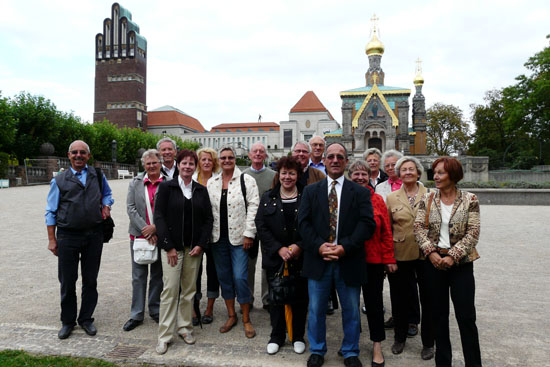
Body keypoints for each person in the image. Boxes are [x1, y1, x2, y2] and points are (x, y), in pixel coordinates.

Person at [298, 143, 376, 367]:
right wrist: (319, 246)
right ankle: (318, 349)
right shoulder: (311, 191)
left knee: (351, 310)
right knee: (316, 309)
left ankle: (350, 351)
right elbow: (303, 224)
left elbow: (366, 224)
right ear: (324, 160)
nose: (334, 160)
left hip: (348, 259)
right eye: (330, 156)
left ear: (346, 161)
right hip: (318, 259)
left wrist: (344, 247)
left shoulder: (360, 192)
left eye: (339, 157)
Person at [414, 157, 482, 367]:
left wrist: (453, 255)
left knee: (466, 317)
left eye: (441, 173)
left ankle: (473, 363)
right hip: (433, 264)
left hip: (460, 265)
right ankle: (443, 363)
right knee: (438, 317)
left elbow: (473, 232)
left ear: (453, 175)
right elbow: (418, 228)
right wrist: (431, 253)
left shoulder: (470, 199)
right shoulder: (427, 198)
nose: (435, 176)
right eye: (434, 172)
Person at [45, 140, 114, 339]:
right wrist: (52, 239)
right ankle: (68, 321)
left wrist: (106, 205)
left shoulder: (98, 175)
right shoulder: (59, 180)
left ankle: (86, 319)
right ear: (68, 156)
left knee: (90, 280)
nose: (78, 156)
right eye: (74, 152)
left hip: (94, 235)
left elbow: (107, 195)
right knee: (67, 281)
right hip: (68, 235)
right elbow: (50, 211)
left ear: (88, 156)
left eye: (82, 152)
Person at [153, 149, 213, 354]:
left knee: (189, 291)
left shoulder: (200, 190)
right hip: (172, 249)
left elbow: (208, 220)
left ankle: (185, 328)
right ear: (178, 165)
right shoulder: (166, 187)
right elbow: (159, 217)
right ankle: (164, 335)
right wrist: (168, 245)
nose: (187, 167)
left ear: (195, 167)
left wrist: (202, 244)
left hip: (194, 250)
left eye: (191, 164)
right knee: (170, 291)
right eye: (184, 163)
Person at [255, 156, 308, 356]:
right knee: (276, 298)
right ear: (279, 174)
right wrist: (279, 248)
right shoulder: (268, 197)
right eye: (284, 173)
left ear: (298, 175)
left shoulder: (307, 196)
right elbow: (261, 225)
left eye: (291, 173)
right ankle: (276, 336)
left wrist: (298, 246)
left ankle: (297, 336)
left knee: (300, 299)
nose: (287, 177)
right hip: (276, 258)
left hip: (299, 257)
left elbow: (312, 225)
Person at [207, 146, 260, 338]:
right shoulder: (212, 182)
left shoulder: (247, 180)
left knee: (240, 277)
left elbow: (254, 206)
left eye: (230, 157)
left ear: (235, 159)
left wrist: (249, 234)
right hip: (217, 239)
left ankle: (246, 318)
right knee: (225, 278)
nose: (226, 160)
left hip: (239, 238)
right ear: (219, 160)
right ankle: (231, 315)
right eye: (223, 158)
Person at [385, 156, 434, 360]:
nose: (407, 172)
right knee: (399, 298)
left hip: (426, 255)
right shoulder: (391, 198)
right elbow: (387, 229)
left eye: (411, 169)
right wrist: (389, 258)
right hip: (400, 254)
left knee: (429, 300)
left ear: (418, 172)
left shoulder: (432, 195)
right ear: (399, 173)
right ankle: (400, 337)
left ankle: (429, 343)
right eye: (403, 169)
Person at [348, 160, 396, 367]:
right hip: (348, 258)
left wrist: (389, 259)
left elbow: (386, 232)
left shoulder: (377, 200)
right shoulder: (343, 198)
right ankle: (351, 343)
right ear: (350, 176)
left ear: (369, 176)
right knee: (350, 305)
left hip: (373, 260)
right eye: (355, 174)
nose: (359, 177)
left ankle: (377, 344)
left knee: (374, 304)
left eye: (363, 174)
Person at [123, 149, 165, 332]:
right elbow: (131, 208)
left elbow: (171, 209)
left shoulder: (169, 183)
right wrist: (146, 229)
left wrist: (156, 227)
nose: (151, 166)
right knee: (138, 276)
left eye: (154, 162)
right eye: (148, 163)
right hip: (139, 236)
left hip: (161, 236)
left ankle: (154, 309)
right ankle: (136, 314)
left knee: (157, 276)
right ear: (143, 165)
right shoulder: (135, 183)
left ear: (160, 163)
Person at [243, 142, 276, 310]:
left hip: (269, 226)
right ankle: (247, 298)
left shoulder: (273, 176)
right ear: (249, 155)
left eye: (261, 151)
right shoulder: (242, 175)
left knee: (268, 263)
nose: (257, 153)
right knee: (249, 264)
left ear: (265, 155)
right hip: (249, 226)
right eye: (254, 151)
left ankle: (267, 298)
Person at [191, 148, 221, 325]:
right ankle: (194, 307)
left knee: (213, 270)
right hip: (195, 232)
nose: (207, 162)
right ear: (198, 162)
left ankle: (209, 307)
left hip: (215, 231)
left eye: (210, 160)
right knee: (194, 270)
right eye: (203, 159)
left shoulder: (218, 180)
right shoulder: (191, 179)